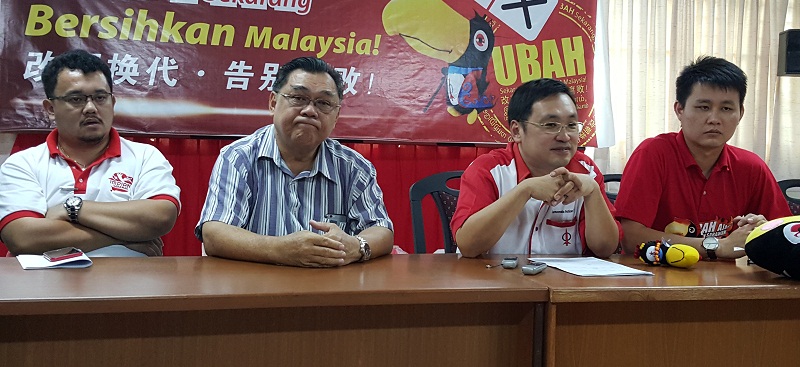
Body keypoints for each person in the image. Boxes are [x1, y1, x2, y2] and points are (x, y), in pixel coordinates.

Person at [196, 56, 393, 267]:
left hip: (331, 290)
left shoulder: (354, 167)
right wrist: (282, 250)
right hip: (254, 289)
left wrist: (357, 245)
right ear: (273, 103)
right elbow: (214, 234)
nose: (310, 111)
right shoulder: (239, 157)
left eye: (324, 103)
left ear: (336, 116)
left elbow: (381, 230)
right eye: (298, 98)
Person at [0, 49, 181, 256]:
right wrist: (127, 236)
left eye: (100, 97)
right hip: (46, 285)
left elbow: (161, 217)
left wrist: (72, 208)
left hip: (129, 284)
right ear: (50, 109)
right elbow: (23, 237)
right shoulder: (23, 163)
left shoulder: (145, 156)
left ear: (112, 103)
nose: (90, 108)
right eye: (76, 99)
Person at [615, 56, 791, 260]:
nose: (714, 119)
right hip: (655, 282)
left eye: (726, 109)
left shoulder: (751, 167)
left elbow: (787, 235)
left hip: (725, 285)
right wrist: (716, 246)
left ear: (740, 113)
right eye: (703, 107)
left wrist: (761, 231)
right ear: (679, 110)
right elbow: (629, 237)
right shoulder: (653, 154)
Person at [451, 78, 621, 258]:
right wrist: (525, 190)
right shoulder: (489, 170)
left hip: (563, 284)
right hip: (495, 281)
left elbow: (605, 249)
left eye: (571, 125)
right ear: (517, 131)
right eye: (550, 125)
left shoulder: (586, 171)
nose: (564, 136)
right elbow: (468, 246)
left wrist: (592, 192)